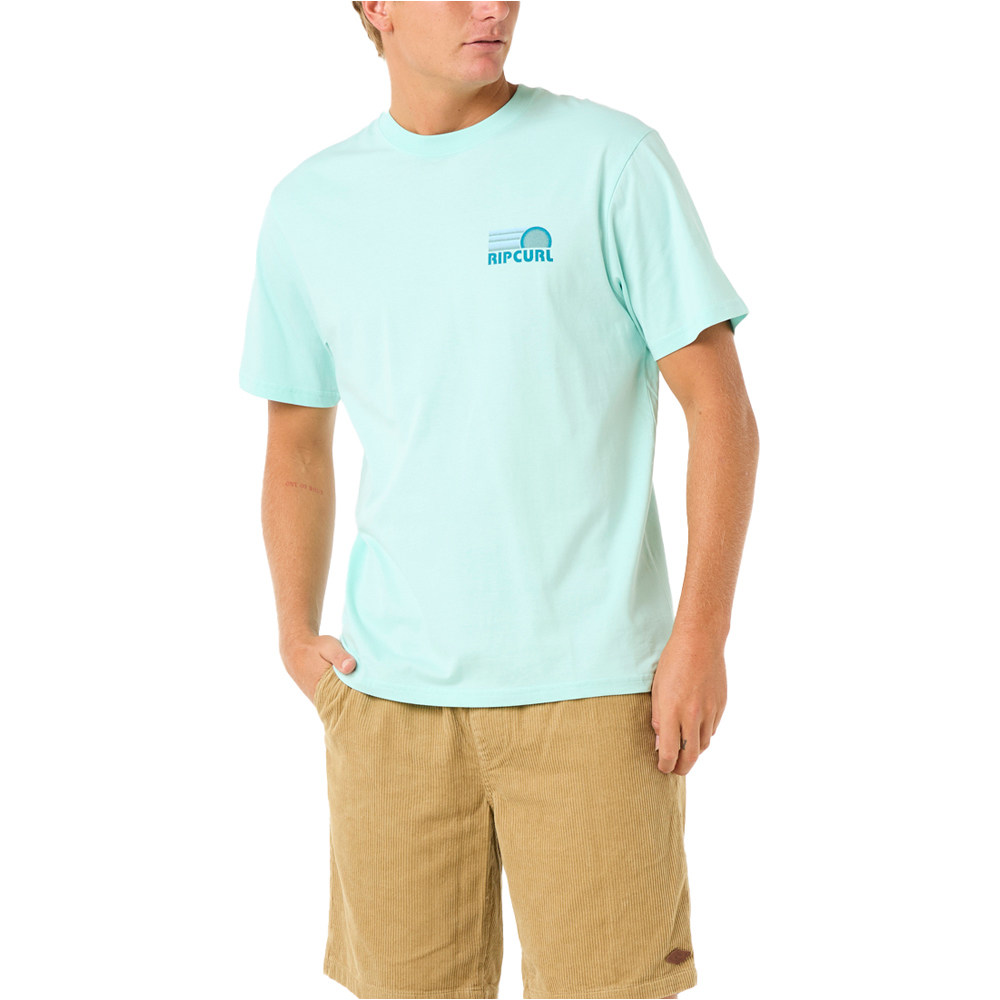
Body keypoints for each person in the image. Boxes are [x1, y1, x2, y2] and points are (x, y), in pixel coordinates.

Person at [238, 3, 759, 997]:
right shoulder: (309, 207)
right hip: (390, 703)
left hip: (595, 698)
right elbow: (295, 441)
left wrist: (700, 636)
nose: (496, 6)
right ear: (375, 7)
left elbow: (721, 411)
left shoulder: (610, 161)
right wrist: (294, 634)